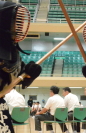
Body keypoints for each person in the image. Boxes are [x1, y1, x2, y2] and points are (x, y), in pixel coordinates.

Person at [0, 1, 41, 132]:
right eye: (13, 21)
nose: (17, 26)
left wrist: (29, 75)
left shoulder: (11, 51)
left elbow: (17, 78)